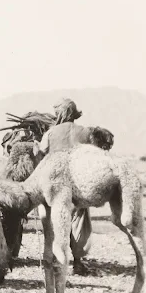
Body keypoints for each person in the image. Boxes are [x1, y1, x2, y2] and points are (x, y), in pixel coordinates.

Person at [38, 98, 94, 276]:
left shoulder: (50, 133)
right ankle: (78, 262)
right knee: (78, 220)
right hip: (78, 183)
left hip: (55, 184)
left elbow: (41, 154)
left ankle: (56, 260)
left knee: (55, 220)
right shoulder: (85, 132)